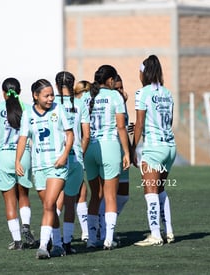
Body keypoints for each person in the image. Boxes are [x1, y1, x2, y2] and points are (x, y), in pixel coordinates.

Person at [15, 79, 74, 259]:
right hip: (38, 167)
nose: (50, 99)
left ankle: (43, 247)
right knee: (48, 207)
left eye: (51, 95)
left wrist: (64, 155)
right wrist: (18, 160)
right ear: (35, 96)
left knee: (49, 204)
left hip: (57, 166)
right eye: (46, 95)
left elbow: (70, 134)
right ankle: (57, 244)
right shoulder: (27, 115)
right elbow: (23, 139)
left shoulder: (59, 109)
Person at [0, 77, 36, 250]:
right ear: (20, 91)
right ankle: (26, 226)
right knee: (23, 196)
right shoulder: (28, 109)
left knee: (9, 201)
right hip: (24, 155)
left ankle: (17, 241)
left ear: (3, 92)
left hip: (3, 156)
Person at [84, 65, 130, 250]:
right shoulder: (115, 96)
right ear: (110, 80)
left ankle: (90, 239)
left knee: (96, 195)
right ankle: (108, 239)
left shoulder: (87, 97)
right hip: (109, 147)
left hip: (90, 149)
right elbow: (121, 127)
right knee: (110, 197)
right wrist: (126, 152)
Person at [133, 55, 176, 247]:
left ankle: (155, 234)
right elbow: (170, 121)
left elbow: (140, 124)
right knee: (160, 189)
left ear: (144, 72)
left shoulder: (142, 93)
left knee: (150, 191)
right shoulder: (167, 93)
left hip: (154, 147)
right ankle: (169, 231)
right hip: (169, 146)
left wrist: (132, 149)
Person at [54, 72, 90, 254]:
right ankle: (67, 242)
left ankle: (53, 240)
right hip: (76, 157)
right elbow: (87, 135)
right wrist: (80, 154)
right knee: (70, 201)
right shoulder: (81, 103)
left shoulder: (52, 104)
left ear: (56, 84)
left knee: (54, 202)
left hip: (57, 157)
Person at [98, 74, 131, 241]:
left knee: (123, 195)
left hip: (121, 155)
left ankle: (104, 224)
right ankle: (102, 229)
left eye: (121, 87)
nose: (120, 91)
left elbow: (125, 129)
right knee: (106, 195)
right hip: (109, 152)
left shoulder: (120, 104)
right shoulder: (110, 101)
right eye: (116, 87)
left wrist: (129, 152)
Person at [73, 80, 91, 242]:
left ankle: (86, 231)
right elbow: (86, 135)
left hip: (63, 154)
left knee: (80, 192)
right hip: (74, 154)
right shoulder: (80, 106)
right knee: (80, 193)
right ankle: (86, 232)